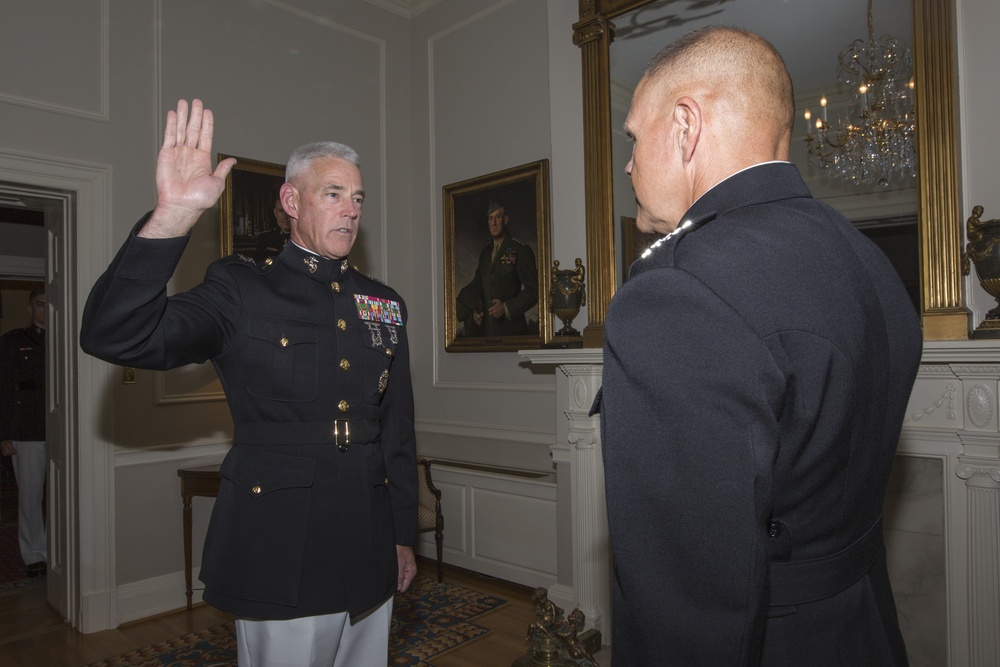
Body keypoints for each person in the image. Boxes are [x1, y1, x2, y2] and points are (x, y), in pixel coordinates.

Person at [592, 26, 922, 665]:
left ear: (686, 127)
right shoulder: (869, 263)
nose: (628, 162)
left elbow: (683, 599)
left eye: (634, 137)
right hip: (863, 632)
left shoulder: (678, 289)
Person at [80, 99, 417, 667]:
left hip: (366, 538)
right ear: (292, 201)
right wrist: (172, 217)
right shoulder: (242, 290)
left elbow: (397, 427)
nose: (350, 210)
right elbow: (114, 335)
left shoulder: (382, 302)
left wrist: (402, 533)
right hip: (280, 543)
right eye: (333, 193)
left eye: (357, 198)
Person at [0, 288, 48, 578]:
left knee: (64, 494)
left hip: (63, 428)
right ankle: (34, 554)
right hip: (26, 427)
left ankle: (61, 549)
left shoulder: (69, 340)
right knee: (30, 494)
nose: (44, 310)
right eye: (39, 305)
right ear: (30, 309)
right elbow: (3, 389)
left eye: (49, 305)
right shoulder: (13, 341)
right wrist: (4, 433)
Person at [455, 199, 538, 337]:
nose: (493, 223)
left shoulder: (520, 250)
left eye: (498, 217)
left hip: (512, 333)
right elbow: (478, 284)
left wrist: (506, 308)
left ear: (505, 220)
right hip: (487, 331)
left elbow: (534, 291)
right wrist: (475, 311)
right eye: (490, 218)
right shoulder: (485, 252)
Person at [253, 196, 292, 262]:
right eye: (281, 211)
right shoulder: (265, 239)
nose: (285, 217)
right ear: (275, 213)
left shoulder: (304, 239)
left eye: (288, 211)